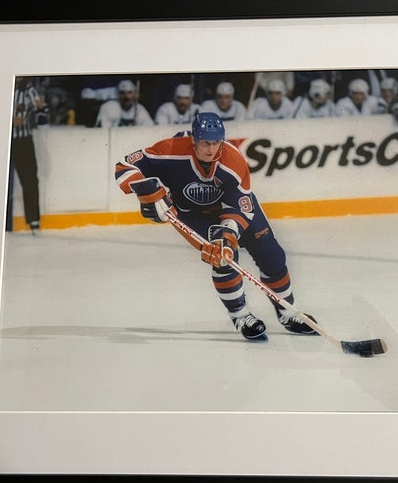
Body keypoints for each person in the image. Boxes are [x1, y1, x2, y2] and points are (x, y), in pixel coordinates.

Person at [115, 112, 317, 340]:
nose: (211, 149)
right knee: (222, 260)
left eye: (215, 142)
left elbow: (240, 207)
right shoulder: (170, 150)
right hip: (193, 216)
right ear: (193, 139)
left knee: (272, 255)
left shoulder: (233, 160)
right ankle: (240, 315)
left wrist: (229, 235)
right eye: (205, 143)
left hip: (233, 210)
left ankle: (288, 312)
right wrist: (146, 191)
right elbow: (123, 167)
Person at [9, 77, 49, 233]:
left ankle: (33, 220)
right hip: (1, 140)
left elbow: (41, 108)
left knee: (30, 180)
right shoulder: (0, 84)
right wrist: (8, 120)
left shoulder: (28, 90)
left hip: (22, 140)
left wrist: (39, 109)